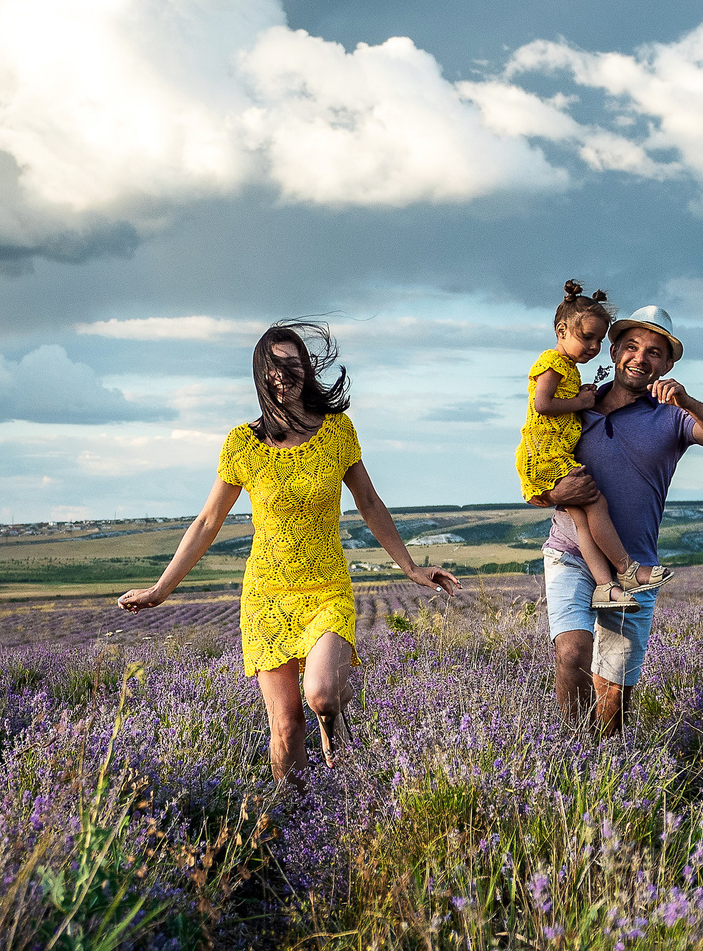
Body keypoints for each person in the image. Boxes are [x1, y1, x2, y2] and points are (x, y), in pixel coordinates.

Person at [119, 321, 459, 780]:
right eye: (272, 369)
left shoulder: (337, 431)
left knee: (320, 694)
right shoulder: (242, 443)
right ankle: (295, 825)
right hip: (266, 597)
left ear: (306, 369)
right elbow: (206, 522)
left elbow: (369, 502)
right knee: (285, 726)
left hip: (326, 589)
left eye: (291, 365)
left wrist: (412, 568)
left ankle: (332, 715)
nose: (282, 377)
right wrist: (161, 589)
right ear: (260, 376)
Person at [536, 303, 703, 736]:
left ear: (667, 364)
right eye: (631, 347)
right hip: (570, 553)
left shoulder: (672, 416)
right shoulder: (575, 405)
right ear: (613, 351)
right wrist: (555, 493)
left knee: (614, 694)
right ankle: (573, 752)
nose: (640, 358)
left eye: (654, 352)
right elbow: (536, 472)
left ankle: (605, 761)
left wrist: (685, 399)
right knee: (572, 652)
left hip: (635, 567)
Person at [516, 280, 671, 611]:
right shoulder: (552, 362)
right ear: (561, 330)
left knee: (584, 518)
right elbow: (542, 405)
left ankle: (605, 587)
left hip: (547, 455)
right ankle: (626, 571)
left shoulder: (567, 368)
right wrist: (580, 401)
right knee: (595, 504)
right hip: (547, 456)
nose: (593, 346)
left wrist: (578, 396)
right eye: (587, 337)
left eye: (599, 340)